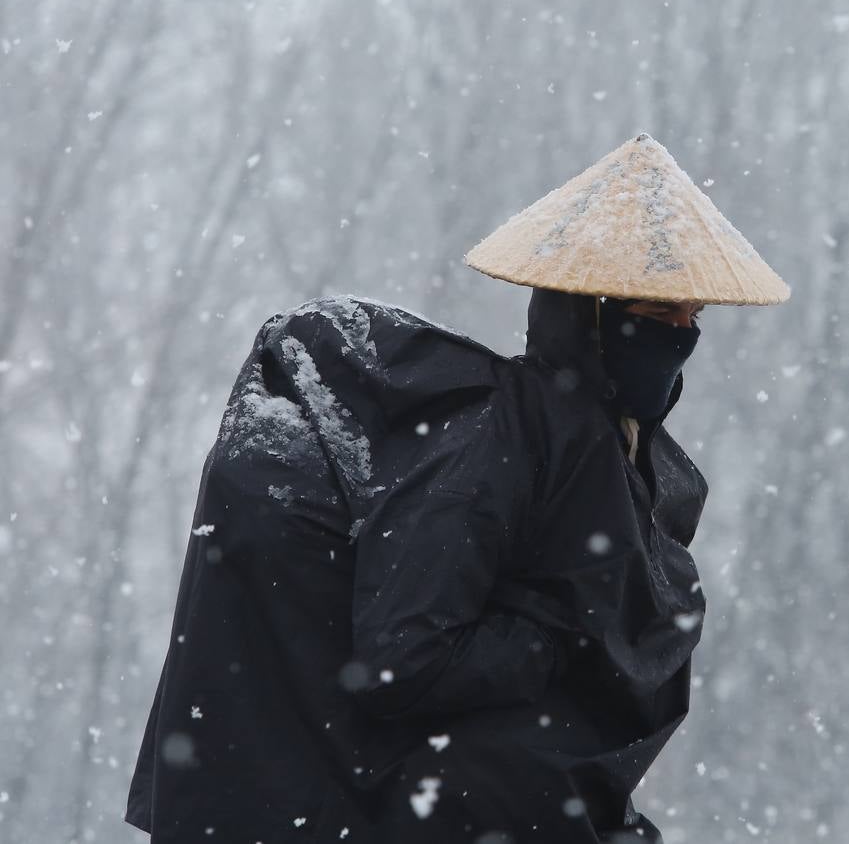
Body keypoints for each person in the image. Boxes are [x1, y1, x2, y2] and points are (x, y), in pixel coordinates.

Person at [124, 134, 790, 842]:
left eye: (693, 319)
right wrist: (555, 641)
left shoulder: (621, 457)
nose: (681, 336)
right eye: (658, 317)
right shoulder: (493, 443)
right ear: (587, 314)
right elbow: (403, 659)